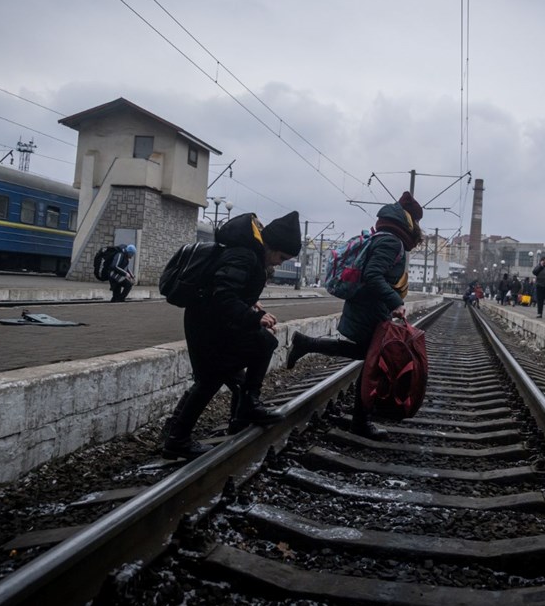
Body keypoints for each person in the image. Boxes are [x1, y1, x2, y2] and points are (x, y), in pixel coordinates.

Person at [162, 211, 302, 459]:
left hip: (213, 322)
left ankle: (233, 418)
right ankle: (178, 439)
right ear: (271, 246)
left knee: (233, 371)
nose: (280, 263)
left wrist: (250, 306)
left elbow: (228, 292)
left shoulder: (250, 255)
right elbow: (222, 295)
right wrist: (254, 317)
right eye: (281, 257)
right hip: (208, 325)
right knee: (215, 376)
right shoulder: (245, 256)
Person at [285, 192, 424, 440]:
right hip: (370, 309)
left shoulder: (384, 236)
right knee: (373, 362)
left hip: (366, 307)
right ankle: (361, 421)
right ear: (409, 222)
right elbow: (373, 275)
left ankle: (306, 344)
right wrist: (395, 302)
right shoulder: (392, 242)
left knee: (369, 358)